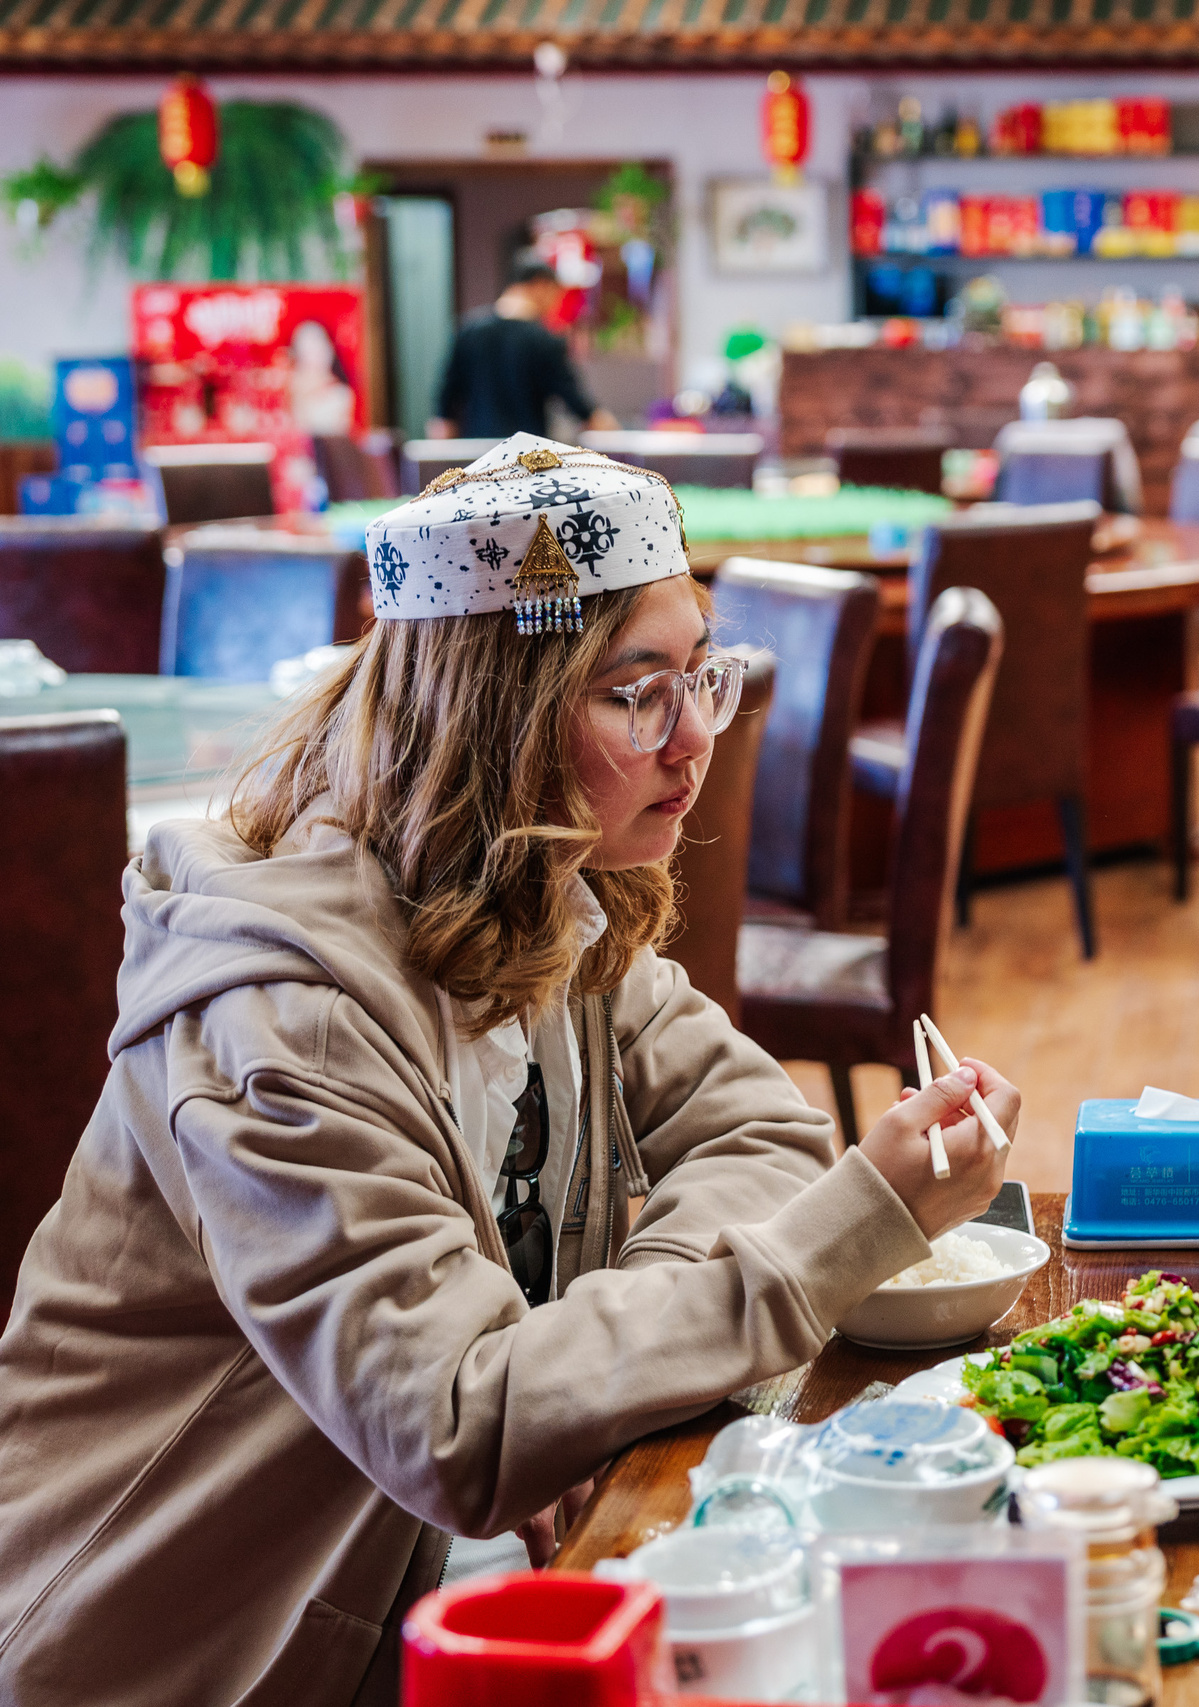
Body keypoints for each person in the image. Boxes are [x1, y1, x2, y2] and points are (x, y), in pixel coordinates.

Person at [0, 435, 1010, 1706]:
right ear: (499, 713)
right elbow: (464, 1426)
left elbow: (756, 1126)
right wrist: (835, 1237)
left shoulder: (539, 896)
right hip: (186, 1657)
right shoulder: (284, 1017)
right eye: (637, 693)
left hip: (399, 1601)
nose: (694, 738)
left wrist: (595, 1382)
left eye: (704, 674)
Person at [428, 261, 619, 441]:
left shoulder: (468, 331)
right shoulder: (545, 341)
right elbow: (578, 404)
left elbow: (444, 410)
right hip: (527, 459)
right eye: (555, 294)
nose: (554, 304)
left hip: (478, 458)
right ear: (540, 286)